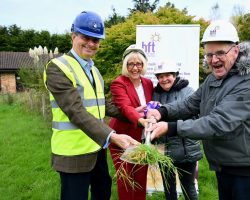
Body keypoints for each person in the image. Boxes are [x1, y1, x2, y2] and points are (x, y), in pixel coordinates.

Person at [146, 20, 250, 200]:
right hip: (225, 164)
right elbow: (190, 104)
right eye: (209, 54)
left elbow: (217, 122)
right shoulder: (213, 79)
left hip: (247, 169)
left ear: (235, 51)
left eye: (220, 53)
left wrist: (171, 127)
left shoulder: (249, 83)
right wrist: (162, 111)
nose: (214, 60)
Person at [43, 11, 138, 200]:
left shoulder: (93, 69)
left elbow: (103, 105)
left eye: (96, 40)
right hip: (73, 152)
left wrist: (134, 114)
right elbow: (75, 111)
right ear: (73, 36)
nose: (91, 43)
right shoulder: (57, 68)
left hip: (96, 147)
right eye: (86, 37)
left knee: (102, 191)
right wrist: (112, 136)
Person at [152, 59, 202, 200]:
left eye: (168, 75)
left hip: (185, 150)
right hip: (164, 150)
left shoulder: (188, 92)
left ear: (175, 75)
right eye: (160, 76)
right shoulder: (156, 94)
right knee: (169, 189)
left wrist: (167, 120)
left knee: (188, 188)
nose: (164, 79)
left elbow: (194, 119)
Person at [109, 44, 154, 200]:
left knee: (141, 178)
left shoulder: (148, 83)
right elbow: (125, 107)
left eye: (139, 64)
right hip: (122, 138)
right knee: (126, 179)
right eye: (131, 64)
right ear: (125, 65)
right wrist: (142, 120)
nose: (135, 68)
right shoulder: (118, 83)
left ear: (144, 65)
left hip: (142, 138)